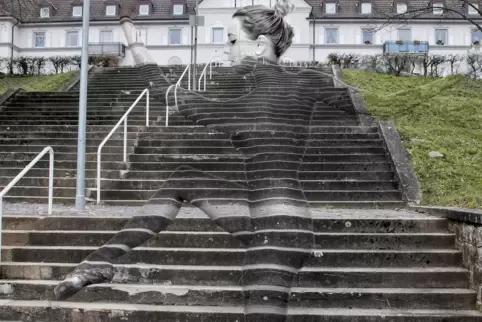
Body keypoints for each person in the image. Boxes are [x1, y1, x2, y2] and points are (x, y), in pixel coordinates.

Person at [54, 1, 351, 320]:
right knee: (184, 179)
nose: (227, 50)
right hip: (268, 219)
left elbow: (161, 89)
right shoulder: (304, 83)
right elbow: (344, 99)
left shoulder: (246, 105)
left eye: (233, 41)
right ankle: (99, 263)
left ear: (260, 44)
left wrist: (135, 42)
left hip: (278, 230)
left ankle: (100, 263)